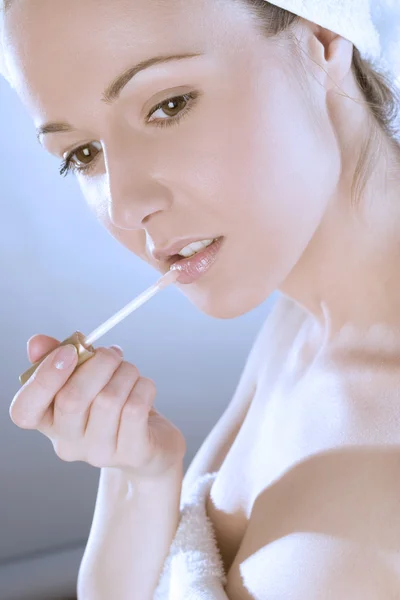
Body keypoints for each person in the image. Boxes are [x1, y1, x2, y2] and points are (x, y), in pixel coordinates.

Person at [3, 0, 400, 598]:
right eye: (82, 154)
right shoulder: (306, 314)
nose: (125, 205)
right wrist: (141, 474)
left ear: (321, 39)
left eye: (168, 105)